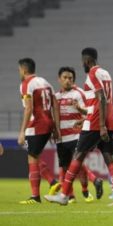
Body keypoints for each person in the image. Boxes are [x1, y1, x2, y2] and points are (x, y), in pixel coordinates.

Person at [45, 47, 113, 206]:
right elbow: (99, 102)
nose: (82, 64)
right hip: (109, 121)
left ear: (87, 61)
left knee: (77, 157)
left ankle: (63, 195)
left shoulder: (92, 74)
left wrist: (100, 125)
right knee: (110, 159)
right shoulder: (106, 73)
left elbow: (101, 98)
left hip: (97, 123)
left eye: (83, 61)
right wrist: (86, 118)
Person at [55, 66, 103, 203]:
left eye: (70, 78)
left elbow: (90, 111)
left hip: (76, 135)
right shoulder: (56, 96)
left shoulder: (80, 93)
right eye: (65, 78)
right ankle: (73, 195)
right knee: (66, 167)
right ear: (59, 79)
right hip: (61, 137)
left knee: (76, 163)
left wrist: (80, 114)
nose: (68, 80)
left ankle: (88, 186)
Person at [17, 58, 61, 204]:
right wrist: (55, 126)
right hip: (47, 125)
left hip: (36, 126)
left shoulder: (26, 84)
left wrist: (22, 131)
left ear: (23, 70)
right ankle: (52, 182)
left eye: (19, 70)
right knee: (34, 156)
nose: (19, 73)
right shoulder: (46, 82)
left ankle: (35, 196)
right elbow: (55, 104)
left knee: (32, 159)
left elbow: (28, 108)